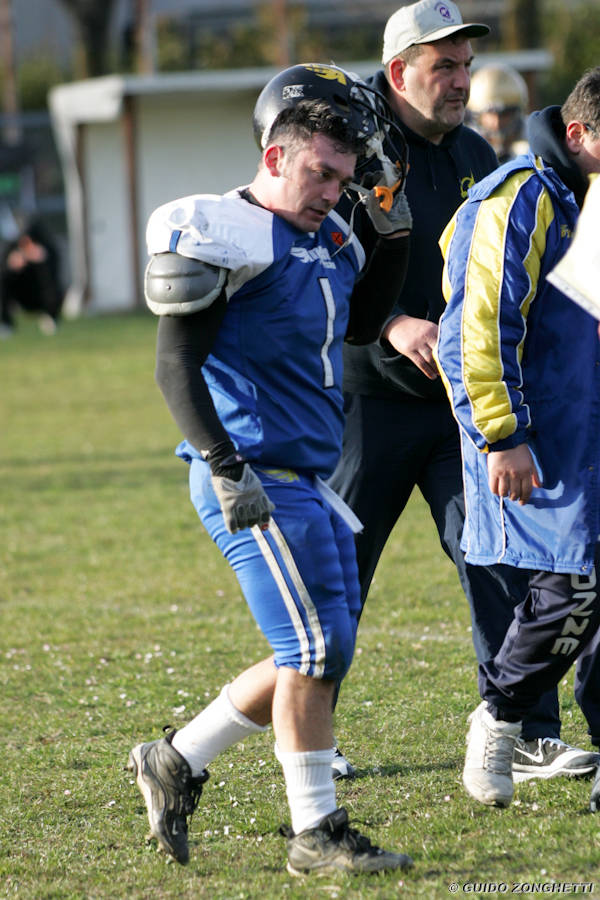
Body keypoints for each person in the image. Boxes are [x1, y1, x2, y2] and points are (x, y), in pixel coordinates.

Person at [127, 63, 415, 875]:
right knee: (315, 647)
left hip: (307, 477)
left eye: (343, 177)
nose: (331, 190)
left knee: (324, 648)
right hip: (250, 472)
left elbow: (360, 326)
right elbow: (174, 365)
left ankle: (178, 757)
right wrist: (224, 466)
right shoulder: (226, 230)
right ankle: (315, 832)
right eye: (319, 172)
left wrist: (392, 236)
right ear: (275, 155)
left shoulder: (332, 237)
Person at [328, 0, 598, 782]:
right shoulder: (355, 153)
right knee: (338, 570)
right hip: (372, 400)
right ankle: (312, 735)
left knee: (509, 566)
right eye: (442, 66)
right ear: (398, 71)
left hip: (464, 410)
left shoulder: (478, 152)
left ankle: (528, 732)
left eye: (465, 65)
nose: (460, 80)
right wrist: (390, 325)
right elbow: (318, 263)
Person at [434, 66, 600, 809]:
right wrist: (501, 435)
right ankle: (499, 722)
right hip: (544, 438)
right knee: (571, 589)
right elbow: (477, 330)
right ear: (580, 134)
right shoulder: (520, 197)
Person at [468, 63, 529, 163]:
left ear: (516, 114)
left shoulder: (531, 147)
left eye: (505, 114)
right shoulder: (466, 147)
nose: (497, 122)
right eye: (491, 114)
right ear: (478, 116)